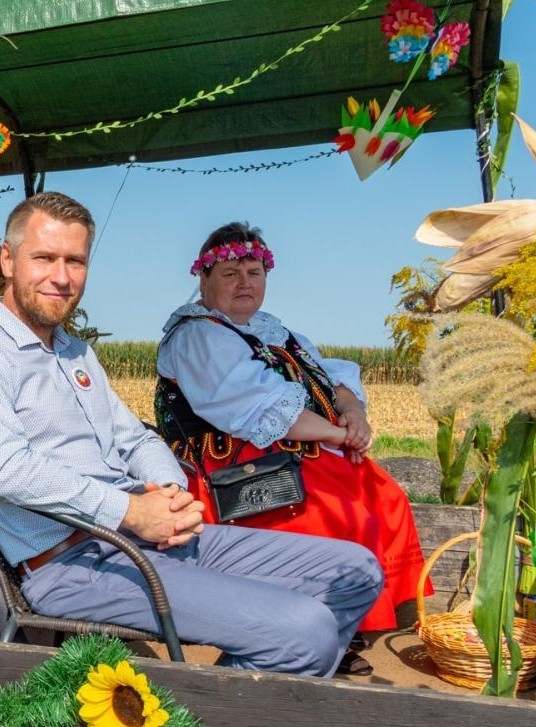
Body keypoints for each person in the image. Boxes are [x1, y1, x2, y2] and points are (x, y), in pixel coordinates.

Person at [0, 193, 381, 677]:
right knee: (306, 631)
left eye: (75, 261)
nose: (61, 277)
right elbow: (4, 471)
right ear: (8, 259)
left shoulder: (75, 354)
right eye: (44, 258)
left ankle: (233, 697)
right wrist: (130, 511)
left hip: (144, 535)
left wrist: (169, 493)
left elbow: (137, 439)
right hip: (70, 563)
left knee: (357, 573)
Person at [154, 222, 429, 650]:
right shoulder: (198, 336)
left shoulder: (276, 332)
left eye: (255, 273)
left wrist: (353, 414)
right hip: (230, 475)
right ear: (202, 278)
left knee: (382, 491)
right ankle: (313, 626)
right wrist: (338, 436)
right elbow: (254, 405)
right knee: (332, 502)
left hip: (290, 455)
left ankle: (357, 617)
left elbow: (330, 376)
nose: (245, 283)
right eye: (230, 274)